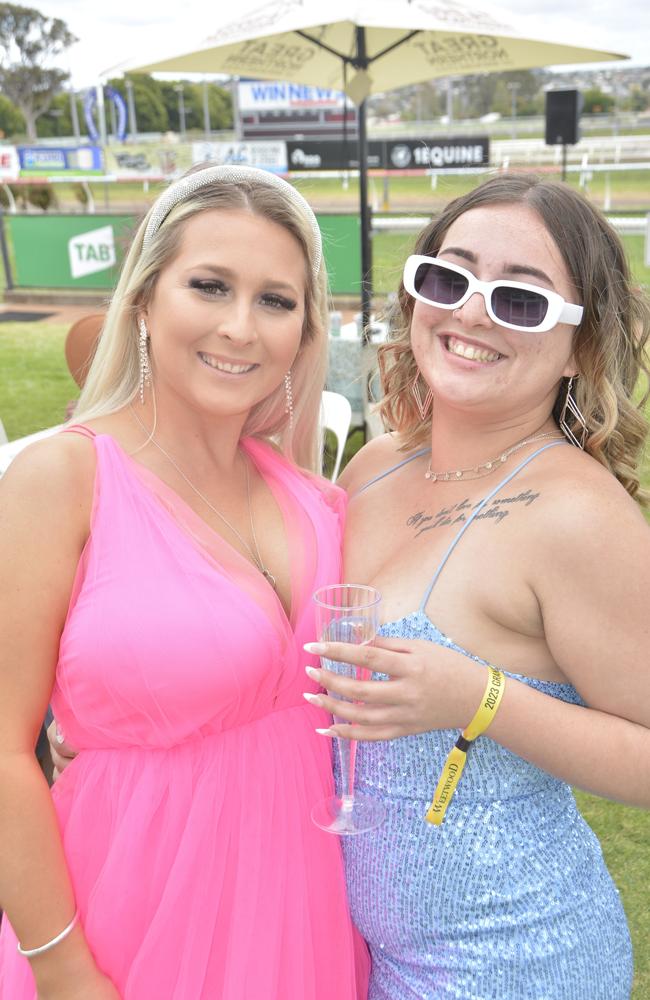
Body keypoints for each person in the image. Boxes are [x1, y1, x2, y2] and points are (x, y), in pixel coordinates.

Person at [0, 164, 368, 999]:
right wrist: (60, 968)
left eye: (277, 300)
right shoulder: (63, 477)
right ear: (145, 299)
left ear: (306, 331)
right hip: (128, 922)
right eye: (210, 286)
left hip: (301, 918)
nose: (241, 327)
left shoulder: (314, 499)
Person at [301, 175, 650, 998]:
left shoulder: (577, 515)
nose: (470, 313)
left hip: (517, 962)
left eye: (521, 302)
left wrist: (480, 697)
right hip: (359, 950)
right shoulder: (377, 465)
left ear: (581, 347)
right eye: (448, 279)